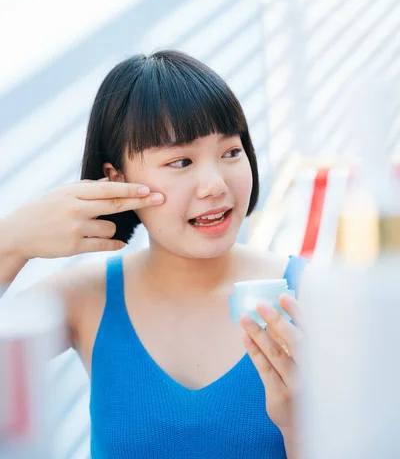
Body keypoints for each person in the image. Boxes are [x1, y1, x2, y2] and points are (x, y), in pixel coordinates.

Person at [0, 50, 307, 459]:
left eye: (231, 152)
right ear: (116, 180)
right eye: (181, 161)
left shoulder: (309, 295)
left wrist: (303, 427)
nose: (215, 184)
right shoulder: (84, 300)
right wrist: (11, 241)